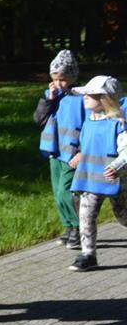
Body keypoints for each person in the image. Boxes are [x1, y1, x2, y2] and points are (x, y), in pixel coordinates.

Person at [67, 75, 127, 271]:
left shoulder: (118, 124)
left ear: (105, 99)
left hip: (114, 181)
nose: (85, 97)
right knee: (86, 216)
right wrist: (80, 155)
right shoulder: (89, 122)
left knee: (123, 216)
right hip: (89, 179)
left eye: (90, 94)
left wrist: (117, 167)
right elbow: (90, 146)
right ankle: (88, 255)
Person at [33, 50, 85, 248]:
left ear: (73, 77)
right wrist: (49, 100)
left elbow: (88, 126)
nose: (58, 83)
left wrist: (82, 150)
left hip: (71, 153)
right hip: (54, 151)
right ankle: (68, 227)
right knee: (57, 193)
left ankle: (78, 227)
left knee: (66, 191)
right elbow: (39, 119)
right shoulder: (51, 97)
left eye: (62, 79)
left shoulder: (82, 98)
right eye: (55, 79)